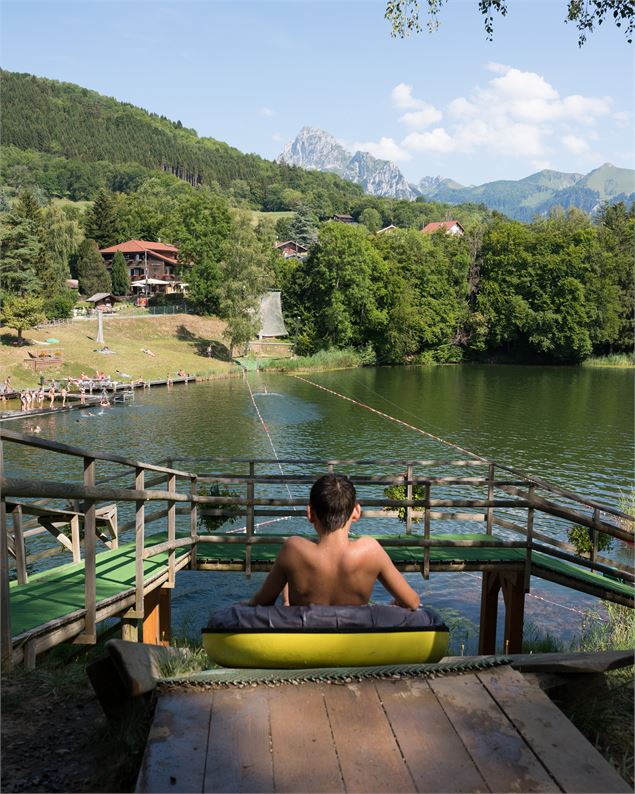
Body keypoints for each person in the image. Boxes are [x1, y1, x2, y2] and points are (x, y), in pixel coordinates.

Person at [249, 473, 420, 609]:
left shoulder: (294, 549)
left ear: (310, 513)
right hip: (351, 644)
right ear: (356, 512)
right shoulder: (371, 551)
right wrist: (389, 608)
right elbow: (412, 602)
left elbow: (261, 603)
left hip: (306, 643)